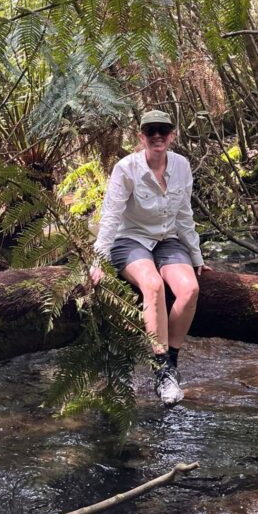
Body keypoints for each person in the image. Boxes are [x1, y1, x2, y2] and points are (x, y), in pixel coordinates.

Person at [90, 109, 209, 406]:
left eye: (163, 131)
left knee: (190, 289)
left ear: (172, 135)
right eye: (151, 131)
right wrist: (99, 262)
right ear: (141, 137)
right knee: (153, 286)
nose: (158, 136)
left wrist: (196, 256)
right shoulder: (126, 169)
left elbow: (184, 215)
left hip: (167, 240)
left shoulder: (182, 166)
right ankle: (161, 371)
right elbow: (111, 216)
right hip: (130, 240)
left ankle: (170, 364)